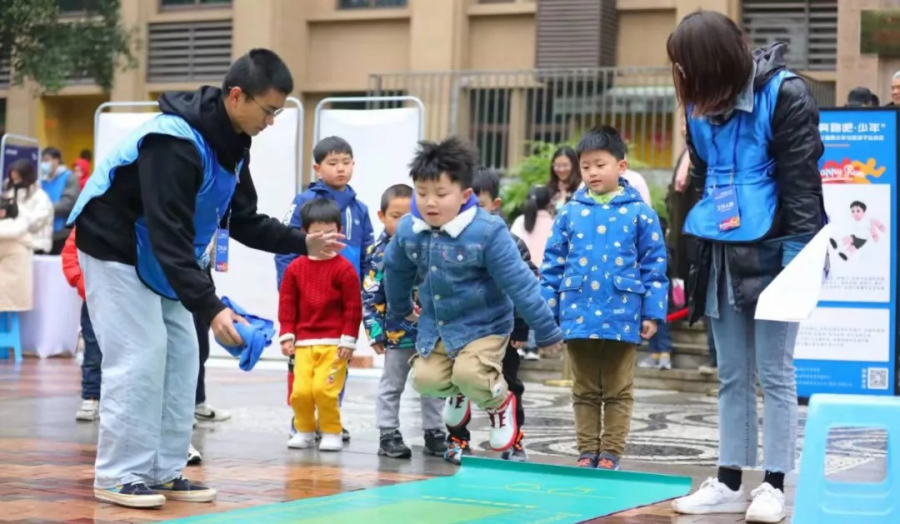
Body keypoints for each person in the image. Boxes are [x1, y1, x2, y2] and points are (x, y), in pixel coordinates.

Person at [67, 48, 344, 509]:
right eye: (268, 110)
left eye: (277, 112)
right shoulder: (172, 142)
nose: (271, 122)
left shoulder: (233, 144)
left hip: (163, 254)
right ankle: (119, 474)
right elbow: (168, 233)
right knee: (141, 354)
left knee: (183, 354)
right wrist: (212, 307)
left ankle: (163, 469)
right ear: (236, 96)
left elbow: (244, 219)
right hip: (114, 245)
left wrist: (303, 242)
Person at [666, 12, 825, 523]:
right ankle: (729, 481)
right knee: (732, 373)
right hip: (719, 251)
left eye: (686, 66)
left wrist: (797, 263)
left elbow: (802, 184)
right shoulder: (698, 107)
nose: (681, 76)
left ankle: (774, 485)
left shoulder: (784, 94)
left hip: (777, 249)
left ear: (710, 62)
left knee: (775, 371)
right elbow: (701, 180)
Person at [383, 137, 563, 453]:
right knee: (424, 380)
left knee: (471, 373)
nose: (430, 203)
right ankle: (459, 391)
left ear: (465, 195)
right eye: (422, 193)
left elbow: (520, 283)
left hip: (485, 324)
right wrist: (401, 309)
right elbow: (396, 271)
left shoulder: (487, 232)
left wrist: (546, 330)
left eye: (441, 194)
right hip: (439, 325)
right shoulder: (411, 229)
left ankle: (500, 405)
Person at [540, 125, 668, 471]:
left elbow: (655, 265)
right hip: (577, 312)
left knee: (618, 388)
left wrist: (652, 313)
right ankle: (586, 451)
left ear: (621, 166)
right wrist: (547, 314)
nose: (592, 172)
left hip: (623, 313)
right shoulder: (569, 212)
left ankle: (610, 452)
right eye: (586, 166)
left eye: (600, 164)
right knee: (583, 388)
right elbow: (552, 265)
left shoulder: (641, 213)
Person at [276, 136, 373, 442]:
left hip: (343, 297)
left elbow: (368, 252)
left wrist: (367, 290)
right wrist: (287, 288)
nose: (340, 168)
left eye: (346, 162)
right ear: (317, 168)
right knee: (301, 366)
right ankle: (301, 422)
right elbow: (285, 245)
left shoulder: (360, 209)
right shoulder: (303, 202)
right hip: (307, 298)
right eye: (333, 163)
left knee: (338, 359)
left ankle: (331, 421)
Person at [441, 167, 535, 463]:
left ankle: (514, 440)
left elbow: (525, 287)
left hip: (500, 332)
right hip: (460, 332)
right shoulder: (446, 242)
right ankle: (457, 439)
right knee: (457, 385)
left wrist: (521, 327)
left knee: (508, 385)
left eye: (478, 206)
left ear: (495, 205)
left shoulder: (511, 244)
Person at [363, 184, 447, 459]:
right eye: (395, 216)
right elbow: (370, 294)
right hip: (396, 333)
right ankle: (388, 433)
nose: (403, 223)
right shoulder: (378, 252)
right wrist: (375, 332)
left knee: (432, 382)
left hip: (431, 332)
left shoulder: (432, 244)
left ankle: (435, 432)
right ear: (381, 216)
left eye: (409, 216)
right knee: (392, 384)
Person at [278, 199, 361, 452]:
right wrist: (287, 334)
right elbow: (287, 304)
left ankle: (331, 431)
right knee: (301, 392)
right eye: (317, 233)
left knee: (325, 391)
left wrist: (349, 340)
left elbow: (353, 308)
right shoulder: (295, 269)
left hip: (334, 345)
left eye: (330, 232)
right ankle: (304, 430)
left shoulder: (345, 269)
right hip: (303, 344)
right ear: (304, 233)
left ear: (340, 231)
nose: (324, 238)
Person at [0, 159, 54, 312]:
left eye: (18, 178)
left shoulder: (40, 197)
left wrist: (16, 218)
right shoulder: (10, 193)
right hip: (12, 245)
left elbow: (36, 221)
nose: (15, 182)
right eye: (13, 179)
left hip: (34, 246)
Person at [510, 185, 555, 361]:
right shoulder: (553, 223)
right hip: (545, 273)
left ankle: (520, 347)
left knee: (523, 307)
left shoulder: (519, 221)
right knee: (537, 308)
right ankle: (533, 348)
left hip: (523, 270)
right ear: (548, 203)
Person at [39, 147, 80, 254]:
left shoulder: (69, 177)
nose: (44, 164)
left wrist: (45, 209)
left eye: (47, 160)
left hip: (61, 233)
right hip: (43, 232)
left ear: (56, 160)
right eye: (42, 161)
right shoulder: (41, 179)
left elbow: (68, 203)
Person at [546, 146, 581, 212]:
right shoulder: (549, 187)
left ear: (574, 165)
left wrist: (563, 196)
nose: (561, 169)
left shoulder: (581, 188)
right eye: (558, 165)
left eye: (565, 165)